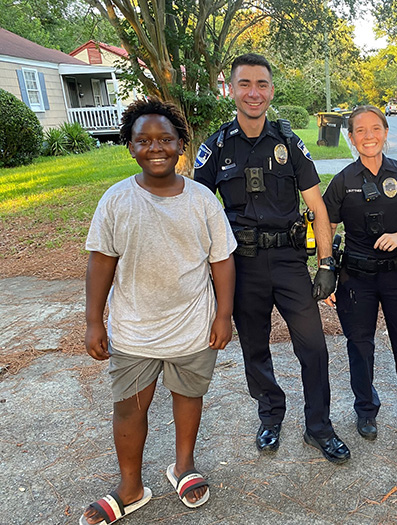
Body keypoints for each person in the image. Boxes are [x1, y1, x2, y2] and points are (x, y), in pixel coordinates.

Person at [81, 99, 236, 525]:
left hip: (192, 324)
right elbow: (101, 261)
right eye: (143, 140)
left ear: (181, 145)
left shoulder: (202, 200)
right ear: (129, 146)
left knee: (188, 396)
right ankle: (130, 486)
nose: (156, 148)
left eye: (165, 139)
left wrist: (224, 316)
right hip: (134, 329)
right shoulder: (116, 200)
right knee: (129, 407)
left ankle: (183, 466)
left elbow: (222, 260)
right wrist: (95, 320)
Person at [193, 53, 349, 464]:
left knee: (314, 348)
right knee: (255, 350)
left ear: (271, 90)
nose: (253, 93)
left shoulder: (288, 143)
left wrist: (327, 264)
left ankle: (319, 427)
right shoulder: (216, 146)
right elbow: (196, 208)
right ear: (231, 90)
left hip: (288, 261)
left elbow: (317, 206)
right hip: (241, 265)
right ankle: (271, 416)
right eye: (244, 84)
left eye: (261, 84)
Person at [323, 105, 397, 456]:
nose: (368, 135)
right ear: (351, 136)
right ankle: (366, 411)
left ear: (386, 133)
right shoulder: (343, 181)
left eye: (375, 128)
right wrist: (326, 270)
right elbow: (325, 223)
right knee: (359, 347)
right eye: (360, 130)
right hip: (356, 278)